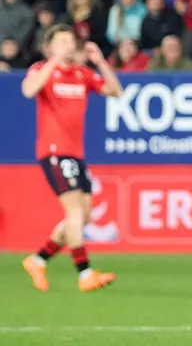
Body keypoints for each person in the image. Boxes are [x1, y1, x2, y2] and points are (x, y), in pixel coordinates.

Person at [20, 24, 122, 293]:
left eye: (70, 40)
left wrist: (100, 61)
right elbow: (29, 91)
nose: (67, 45)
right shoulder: (42, 70)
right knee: (74, 211)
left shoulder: (81, 74)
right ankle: (84, 273)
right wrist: (53, 61)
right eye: (61, 41)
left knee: (83, 216)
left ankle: (38, 259)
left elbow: (115, 90)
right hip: (54, 151)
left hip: (76, 153)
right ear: (50, 46)